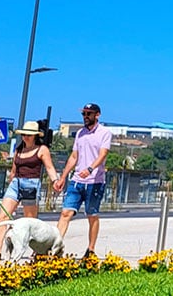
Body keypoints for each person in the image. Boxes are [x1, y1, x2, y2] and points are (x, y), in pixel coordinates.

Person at [0, 121, 59, 261]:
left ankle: (37, 251)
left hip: (31, 185)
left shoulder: (42, 149)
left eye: (29, 135)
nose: (26, 137)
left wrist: (55, 181)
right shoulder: (18, 149)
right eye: (24, 134)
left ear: (35, 136)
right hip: (16, 184)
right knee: (3, 217)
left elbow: (49, 167)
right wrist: (11, 179)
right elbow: (14, 168)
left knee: (30, 222)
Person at [53, 103, 111, 259]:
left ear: (97, 115)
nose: (85, 117)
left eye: (88, 114)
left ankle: (90, 250)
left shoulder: (105, 133)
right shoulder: (80, 133)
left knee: (92, 215)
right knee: (66, 212)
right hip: (77, 180)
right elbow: (74, 156)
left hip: (95, 181)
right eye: (83, 114)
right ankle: (55, 248)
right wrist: (63, 177)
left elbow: (103, 154)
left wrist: (90, 169)